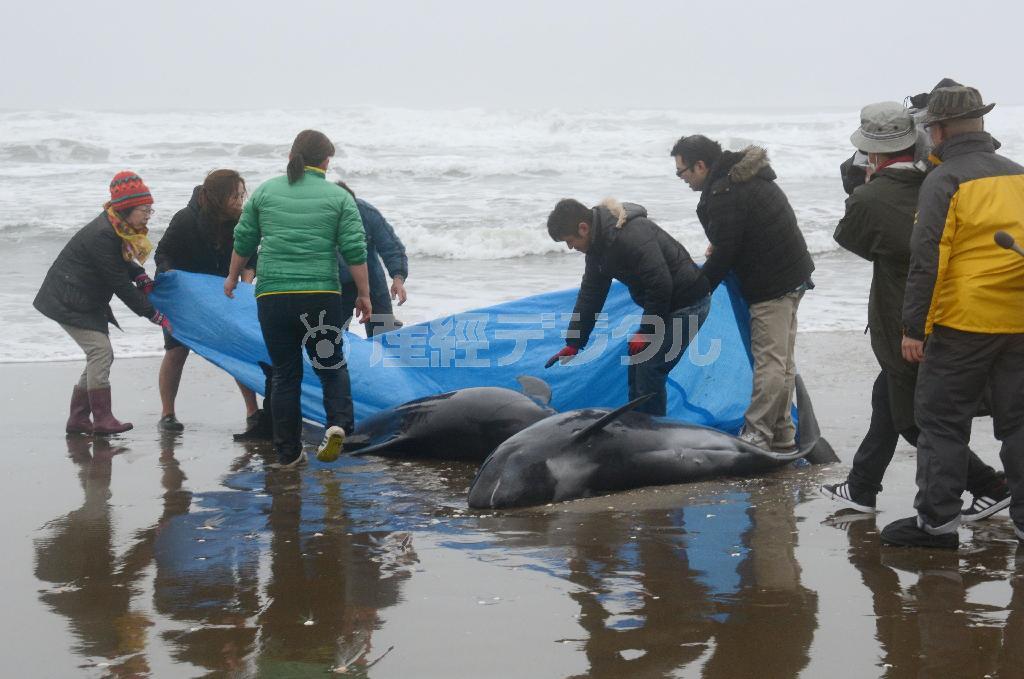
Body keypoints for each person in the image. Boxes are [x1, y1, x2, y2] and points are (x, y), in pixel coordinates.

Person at [819, 102, 1009, 519]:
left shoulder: (872, 196)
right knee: (889, 396)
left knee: (914, 417)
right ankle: (862, 486)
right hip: (957, 306)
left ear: (872, 152)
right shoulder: (941, 179)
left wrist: (864, 189)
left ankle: (989, 486)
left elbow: (850, 239)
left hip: (905, 315)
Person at [880, 86, 1024, 549]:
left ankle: (937, 524)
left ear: (937, 130)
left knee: (941, 422)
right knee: (1019, 423)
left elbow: (929, 259)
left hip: (962, 323)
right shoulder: (1019, 176)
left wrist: (914, 329)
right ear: (981, 124)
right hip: (1018, 320)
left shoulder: (946, 181)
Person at [225, 130, 371, 468]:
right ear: (325, 161)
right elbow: (354, 249)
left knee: (285, 374)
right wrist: (364, 294)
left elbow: (244, 239)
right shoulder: (338, 197)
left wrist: (232, 276)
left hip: (274, 296)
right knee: (330, 366)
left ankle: (288, 453)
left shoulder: (266, 191)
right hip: (319, 295)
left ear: (293, 155)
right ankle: (338, 425)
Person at [671, 135, 814, 451]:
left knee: (770, 362)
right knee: (782, 361)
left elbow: (725, 254)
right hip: (793, 275)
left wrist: (696, 291)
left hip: (773, 283)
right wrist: (723, 242)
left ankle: (758, 433)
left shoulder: (726, 192)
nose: (682, 179)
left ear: (701, 165)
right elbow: (737, 234)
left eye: (682, 172)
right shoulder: (740, 177)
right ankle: (782, 432)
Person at [544, 198, 711, 416]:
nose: (570, 247)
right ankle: (639, 425)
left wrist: (647, 332)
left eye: (569, 241)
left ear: (583, 228)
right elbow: (591, 295)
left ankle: (653, 436)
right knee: (638, 360)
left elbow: (660, 283)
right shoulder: (598, 248)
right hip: (668, 304)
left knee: (650, 366)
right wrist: (574, 342)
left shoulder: (630, 234)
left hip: (689, 303)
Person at [34, 171, 170, 435]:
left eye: (150, 210)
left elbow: (120, 261)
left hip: (85, 300)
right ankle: (102, 418)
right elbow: (118, 282)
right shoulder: (103, 234)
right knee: (100, 352)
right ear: (127, 208)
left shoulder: (116, 227)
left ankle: (78, 419)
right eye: (145, 209)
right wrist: (154, 314)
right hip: (68, 300)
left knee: (99, 355)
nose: (148, 215)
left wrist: (139, 274)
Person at [154, 169, 265, 436]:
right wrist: (173, 278)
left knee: (237, 348)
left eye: (242, 195)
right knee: (176, 350)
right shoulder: (185, 220)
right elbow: (162, 254)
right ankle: (167, 414)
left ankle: (253, 411)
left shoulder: (242, 221)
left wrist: (246, 280)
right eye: (234, 196)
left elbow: (251, 257)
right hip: (184, 298)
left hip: (224, 294)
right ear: (217, 197)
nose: (240, 200)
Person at [334, 181, 408, 337]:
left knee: (384, 335)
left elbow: (392, 247)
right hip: (336, 282)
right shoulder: (320, 217)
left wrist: (398, 278)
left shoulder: (367, 213)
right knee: (333, 337)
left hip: (371, 279)